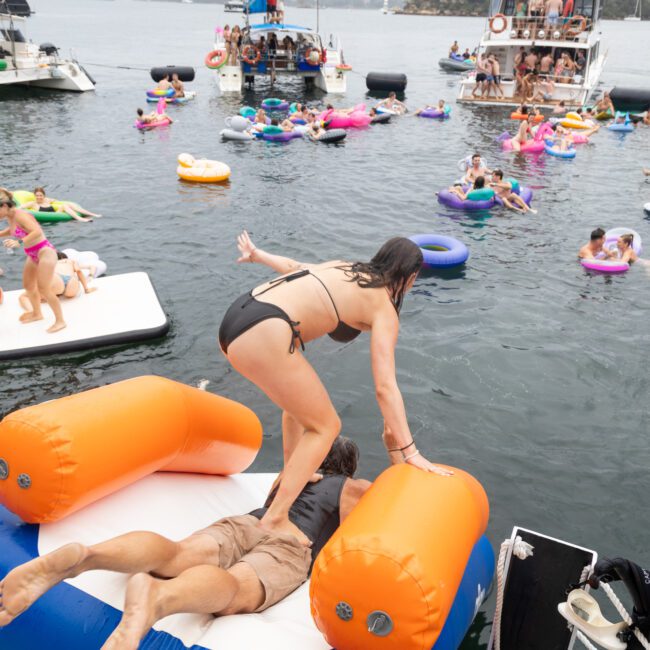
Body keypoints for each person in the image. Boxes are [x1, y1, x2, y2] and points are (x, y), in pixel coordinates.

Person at [0, 438, 372, 649]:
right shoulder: (352, 488)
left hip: (245, 522)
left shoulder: (289, 476)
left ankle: (86, 555)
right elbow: (379, 525)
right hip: (289, 546)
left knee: (177, 554)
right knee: (237, 592)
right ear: (348, 468)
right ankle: (158, 599)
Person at [218, 233, 452, 543]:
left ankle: (293, 476)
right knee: (327, 426)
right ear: (409, 277)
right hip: (264, 330)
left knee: (298, 411)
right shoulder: (383, 306)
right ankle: (275, 518)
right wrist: (411, 452)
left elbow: (295, 267)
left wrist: (259, 255)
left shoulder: (346, 268)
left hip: (237, 320)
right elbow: (385, 386)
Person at [0, 188, 65, 333]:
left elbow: (37, 231)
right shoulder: (10, 217)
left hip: (45, 252)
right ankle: (37, 313)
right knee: (28, 285)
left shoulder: (20, 215)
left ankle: (60, 321)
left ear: (4, 206)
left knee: (44, 289)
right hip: (32, 253)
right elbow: (11, 231)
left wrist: (19, 242)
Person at [18, 250, 97, 311]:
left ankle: (31, 311)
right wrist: (86, 289)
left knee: (23, 296)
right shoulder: (71, 261)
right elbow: (79, 271)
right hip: (72, 285)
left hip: (56, 281)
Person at [19, 187, 100, 222]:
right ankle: (79, 219)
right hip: (49, 217)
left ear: (44, 195)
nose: (39, 197)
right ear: (34, 196)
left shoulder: (47, 200)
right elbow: (21, 207)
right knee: (65, 206)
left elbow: (57, 201)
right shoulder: (33, 204)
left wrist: (55, 201)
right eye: (37, 195)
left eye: (40, 195)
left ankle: (92, 214)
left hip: (56, 214)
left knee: (68, 204)